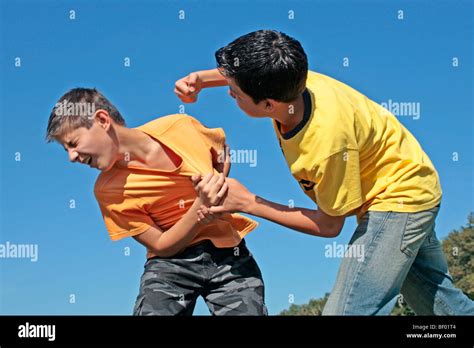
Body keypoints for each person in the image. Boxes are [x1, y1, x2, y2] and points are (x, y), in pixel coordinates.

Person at [175, 30, 474, 315]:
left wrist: (248, 202)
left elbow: (329, 225)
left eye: (236, 93)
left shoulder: (326, 143)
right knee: (440, 305)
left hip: (398, 200)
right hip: (415, 180)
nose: (230, 94)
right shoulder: (291, 79)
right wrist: (201, 80)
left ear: (268, 104)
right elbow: (249, 75)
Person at [45, 87, 267, 316]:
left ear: (102, 120)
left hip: (228, 252)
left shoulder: (180, 126)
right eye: (66, 150)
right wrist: (202, 207)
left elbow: (221, 152)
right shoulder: (107, 191)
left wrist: (218, 181)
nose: (71, 157)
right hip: (170, 266)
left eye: (73, 143)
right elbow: (161, 244)